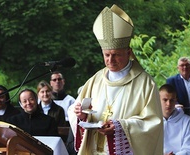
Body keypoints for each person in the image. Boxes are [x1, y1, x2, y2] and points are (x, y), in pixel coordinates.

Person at [68, 4, 163, 155]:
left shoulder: (145, 83)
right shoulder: (96, 80)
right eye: (106, 55)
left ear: (128, 52)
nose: (110, 60)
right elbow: (74, 111)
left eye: (116, 54)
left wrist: (120, 127)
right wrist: (81, 115)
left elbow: (153, 124)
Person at [159, 84, 190, 155]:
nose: (168, 104)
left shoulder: (186, 121)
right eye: (165, 100)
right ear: (158, 99)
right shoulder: (152, 120)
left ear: (176, 100)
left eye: (172, 100)